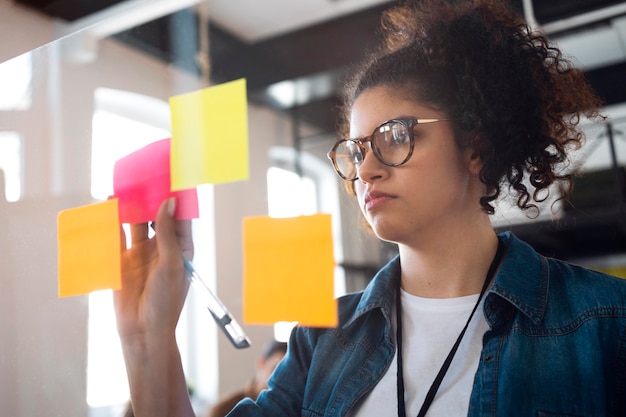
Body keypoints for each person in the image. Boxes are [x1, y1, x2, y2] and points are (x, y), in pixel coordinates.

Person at [113, 0, 626, 416]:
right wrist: (148, 337)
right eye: (357, 150)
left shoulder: (604, 321)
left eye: (395, 137)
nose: (367, 170)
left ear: (476, 146)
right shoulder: (323, 341)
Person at [207, 340, 287, 417]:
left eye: (286, 373)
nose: (282, 378)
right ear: (261, 363)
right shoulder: (225, 409)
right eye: (276, 369)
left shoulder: (292, 410)